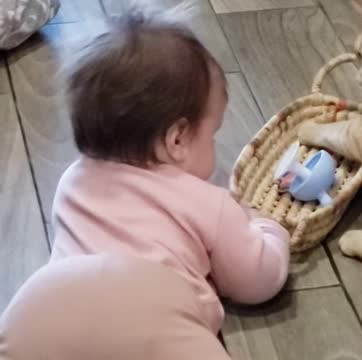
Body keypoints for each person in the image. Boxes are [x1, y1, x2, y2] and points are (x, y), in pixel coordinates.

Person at [0, 10, 290, 360]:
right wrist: (269, 228)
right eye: (212, 136)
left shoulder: (71, 182)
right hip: (152, 305)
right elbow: (256, 280)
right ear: (177, 140)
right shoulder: (210, 203)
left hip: (42, 308)